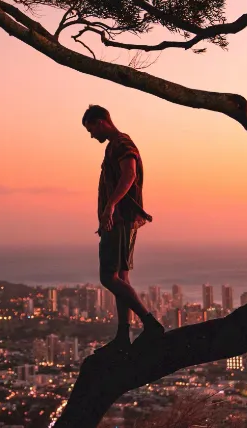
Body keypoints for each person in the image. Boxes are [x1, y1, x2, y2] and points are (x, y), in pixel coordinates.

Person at [82, 104, 165, 350]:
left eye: (91, 129)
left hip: (120, 220)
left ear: (100, 122)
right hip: (120, 220)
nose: (91, 136)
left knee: (108, 277)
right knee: (121, 277)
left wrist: (110, 207)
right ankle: (122, 335)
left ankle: (150, 322)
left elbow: (129, 174)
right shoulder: (116, 144)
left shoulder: (120, 143)